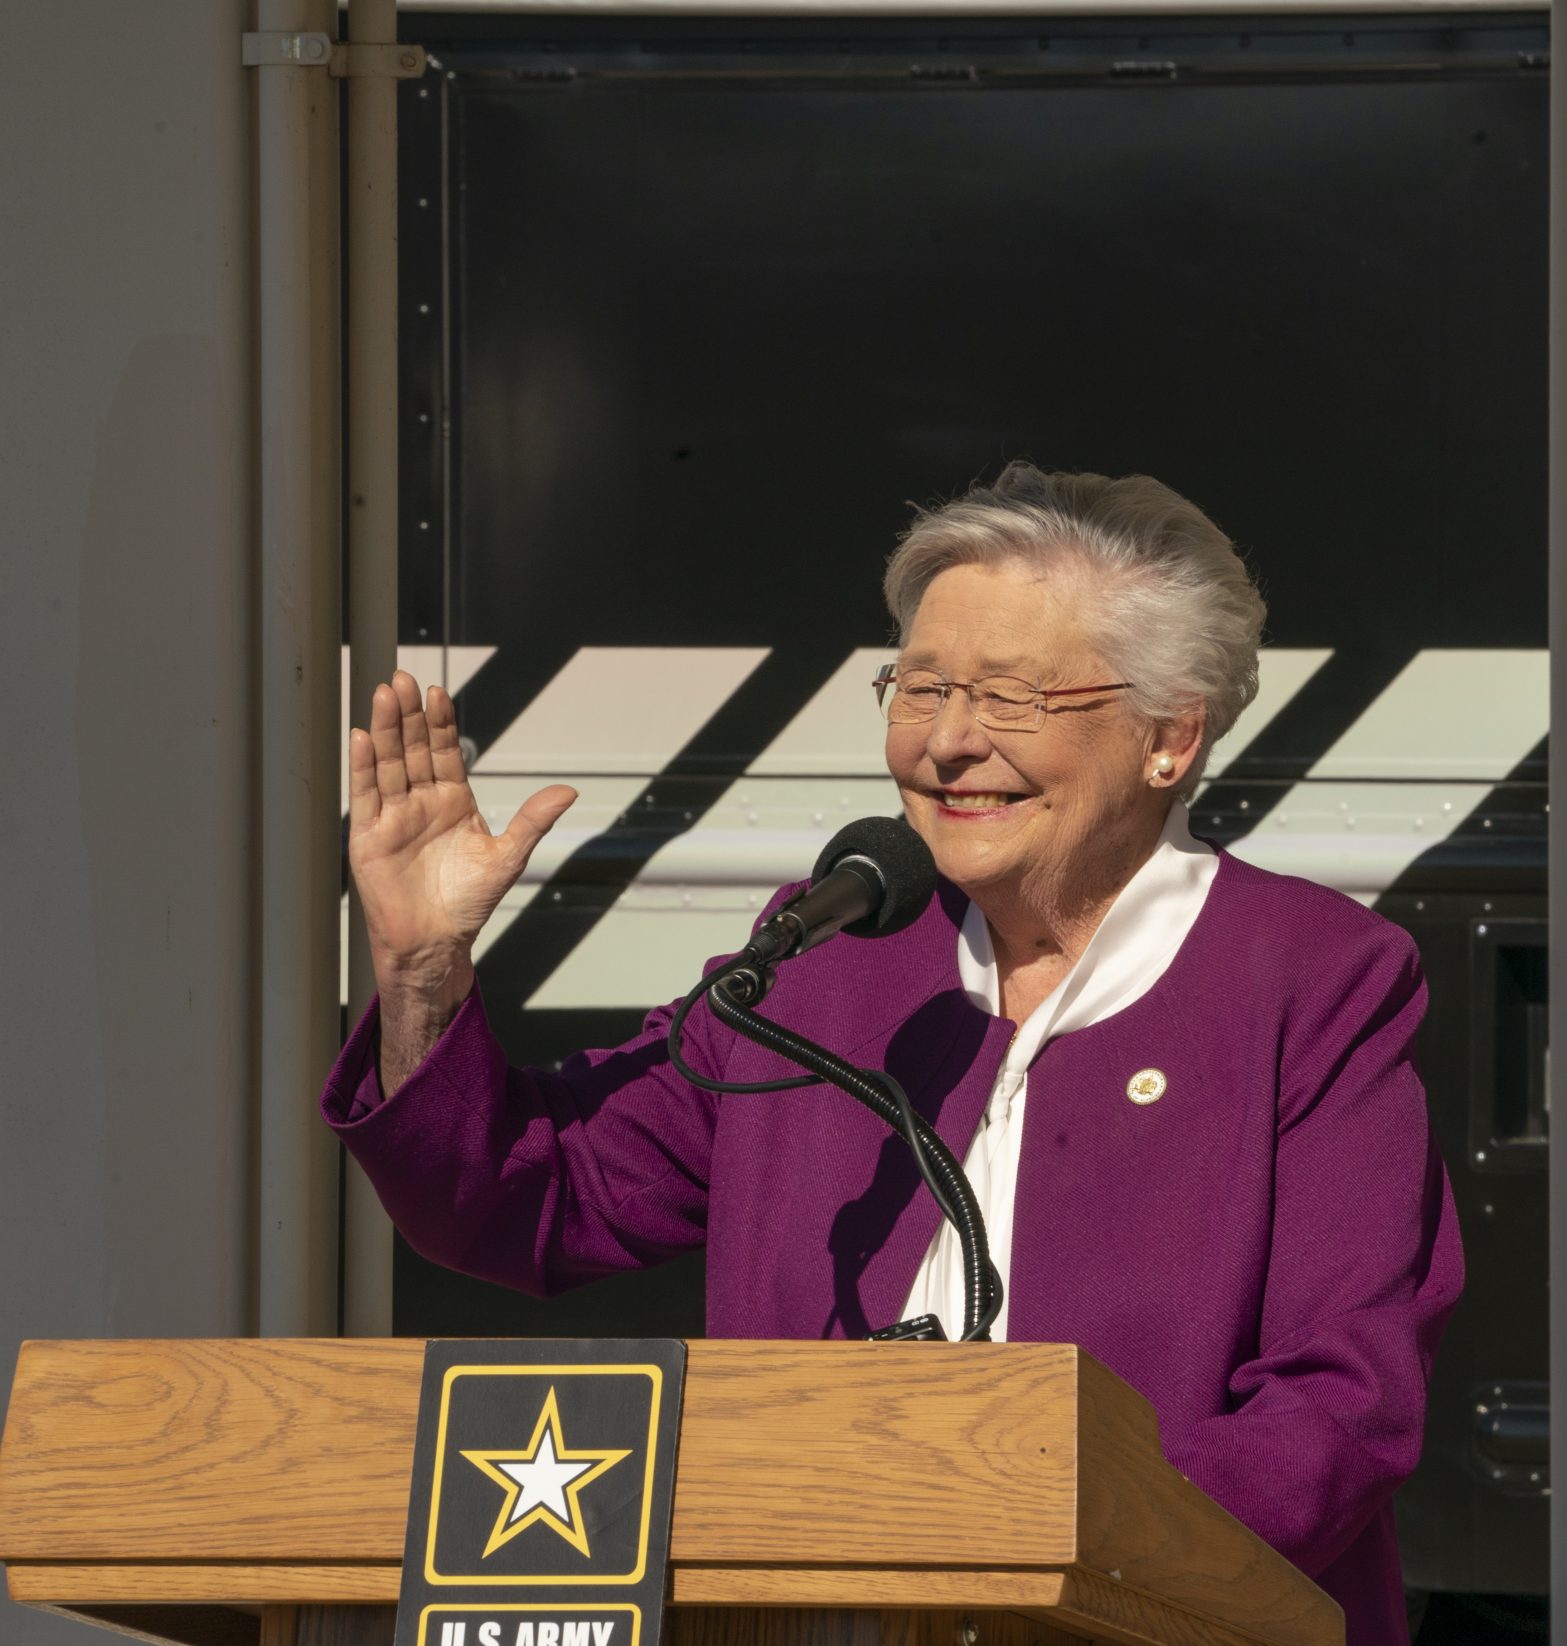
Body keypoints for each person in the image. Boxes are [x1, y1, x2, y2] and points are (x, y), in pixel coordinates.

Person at [327, 462, 1463, 1645]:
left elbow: (1344, 1406)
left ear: (1169, 737)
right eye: (919, 688)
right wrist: (420, 968)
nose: (947, 743)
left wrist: (1042, 1552)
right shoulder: (828, 958)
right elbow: (525, 1199)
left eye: (1013, 699)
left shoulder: (1312, 976)